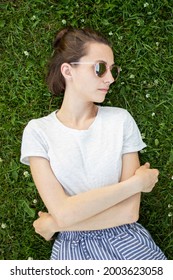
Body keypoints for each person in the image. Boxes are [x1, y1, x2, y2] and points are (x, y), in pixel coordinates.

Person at [20, 27, 167, 260]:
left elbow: (129, 213)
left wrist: (56, 226)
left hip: (127, 242)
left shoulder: (120, 120)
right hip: (72, 252)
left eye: (112, 70)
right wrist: (135, 184)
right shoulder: (38, 131)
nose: (109, 78)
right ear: (68, 70)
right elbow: (63, 211)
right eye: (99, 68)